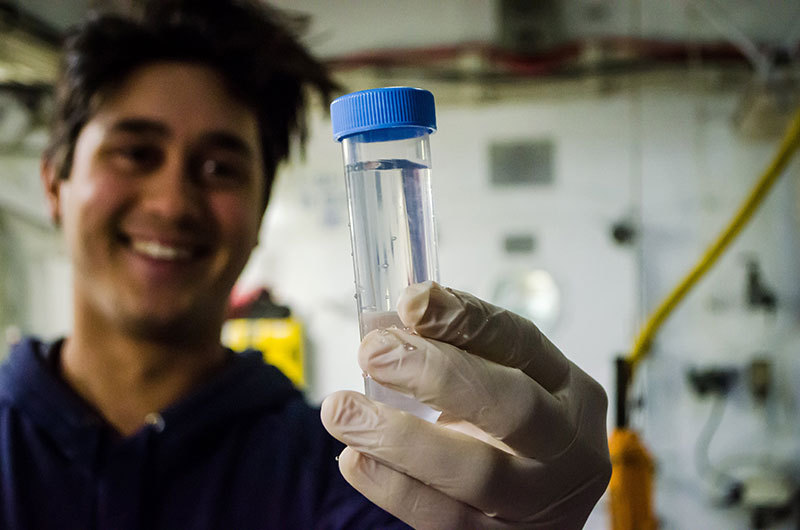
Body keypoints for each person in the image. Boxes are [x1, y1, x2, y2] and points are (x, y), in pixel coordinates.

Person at [0, 1, 611, 528]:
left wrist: (521, 513)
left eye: (221, 168)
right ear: (54, 182)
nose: (172, 202)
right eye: (134, 152)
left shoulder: (348, 475)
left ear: (260, 211)